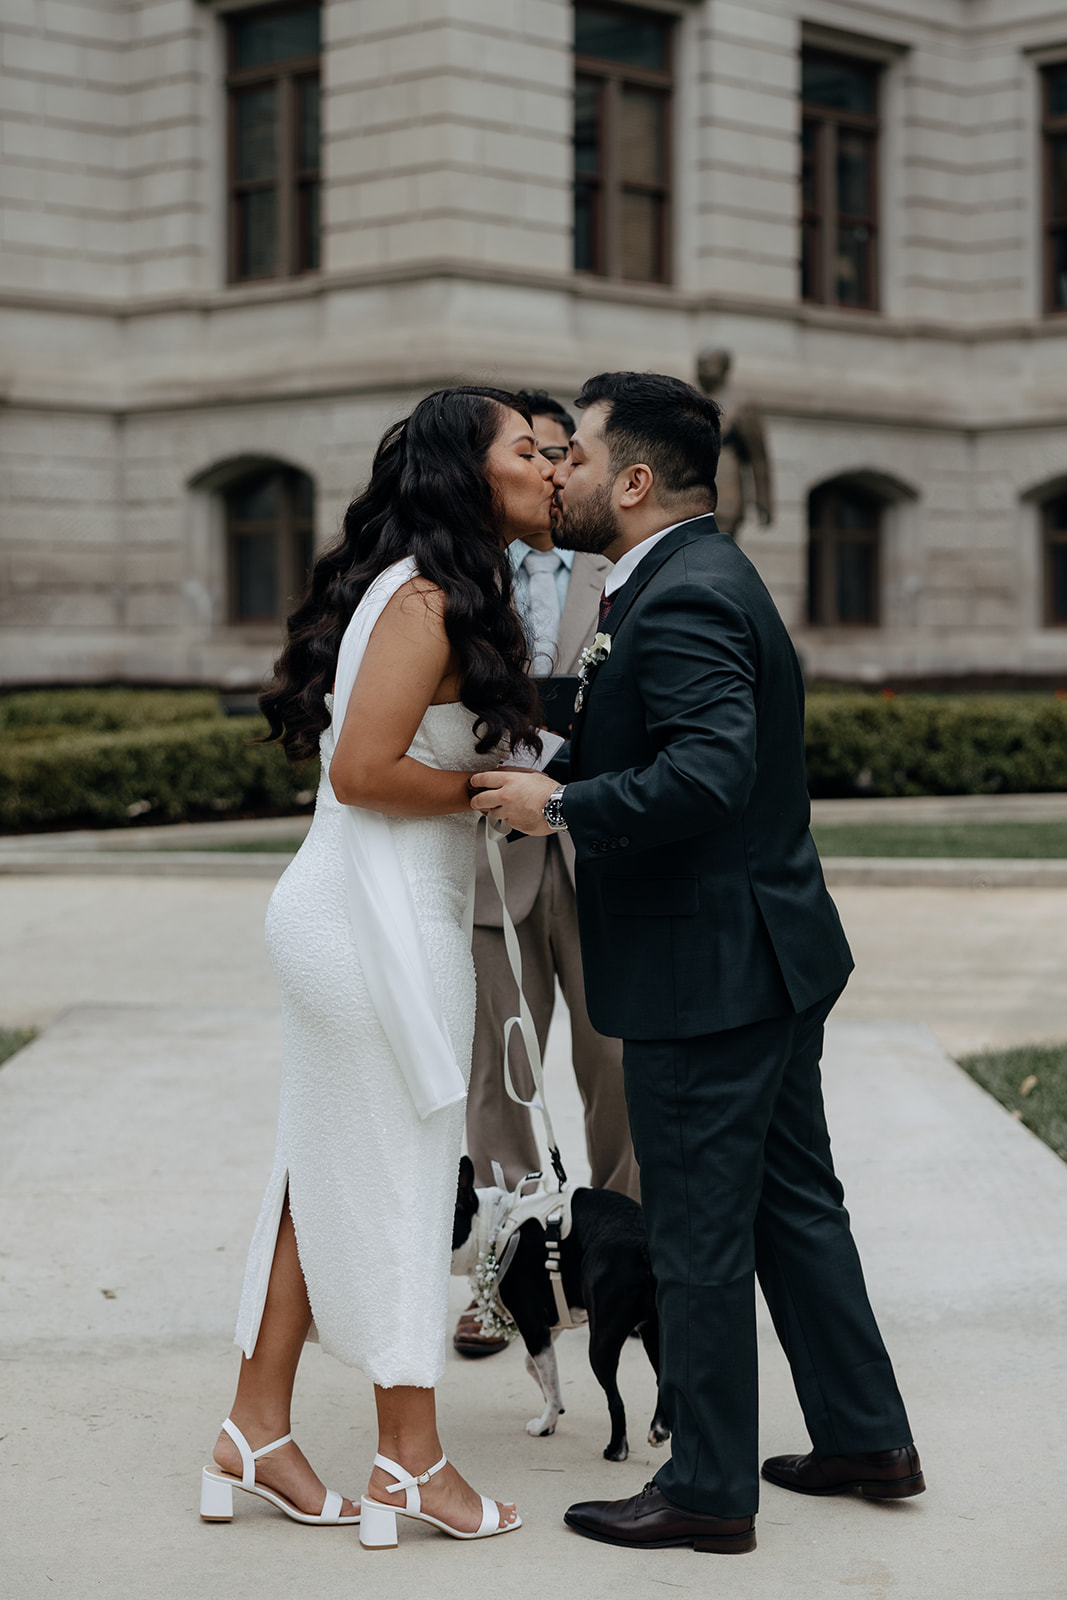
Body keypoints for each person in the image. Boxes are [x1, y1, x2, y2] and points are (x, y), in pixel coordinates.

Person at [469, 371, 922, 1554]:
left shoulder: (681, 595)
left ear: (631, 480)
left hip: (706, 976)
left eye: (574, 457)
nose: (554, 469)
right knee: (792, 1208)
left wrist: (557, 801)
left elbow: (710, 769)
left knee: (698, 1229)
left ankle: (710, 1488)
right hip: (760, 953)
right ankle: (866, 1436)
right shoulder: (682, 575)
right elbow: (661, 729)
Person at [199, 387, 558, 1546]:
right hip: (375, 920)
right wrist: (489, 794)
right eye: (526, 450)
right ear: (470, 472)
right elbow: (361, 770)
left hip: (358, 907)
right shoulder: (422, 599)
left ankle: (255, 1429)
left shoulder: (427, 587)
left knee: (318, 1168)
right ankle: (411, 1459)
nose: (550, 466)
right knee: (404, 1178)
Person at [455, 392, 638, 1357]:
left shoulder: (624, 569)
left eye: (562, 453)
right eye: (533, 454)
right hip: (493, 858)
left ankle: (621, 1270)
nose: (554, 472)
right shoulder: (453, 575)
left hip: (599, 848)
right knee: (502, 1079)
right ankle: (508, 1278)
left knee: (616, 1067)